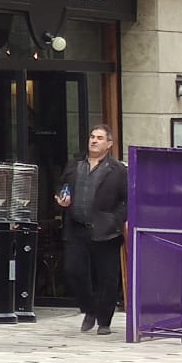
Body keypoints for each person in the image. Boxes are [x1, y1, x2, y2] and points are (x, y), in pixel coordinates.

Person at [55, 125, 129, 337]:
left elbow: (126, 199)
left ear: (109, 144)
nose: (94, 141)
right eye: (92, 137)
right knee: (73, 270)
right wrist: (61, 197)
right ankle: (89, 308)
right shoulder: (75, 164)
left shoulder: (118, 170)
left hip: (105, 230)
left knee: (107, 277)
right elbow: (61, 186)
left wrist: (116, 220)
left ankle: (104, 321)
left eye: (99, 138)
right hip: (76, 227)